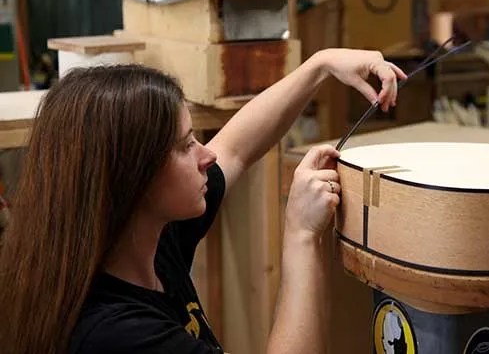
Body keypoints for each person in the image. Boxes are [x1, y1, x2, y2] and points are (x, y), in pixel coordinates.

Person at [0, 48, 406, 354]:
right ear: (132, 179)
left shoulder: (141, 239)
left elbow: (236, 149)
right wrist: (300, 234)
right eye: (185, 145)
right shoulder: (117, 334)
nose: (206, 155)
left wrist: (321, 66)